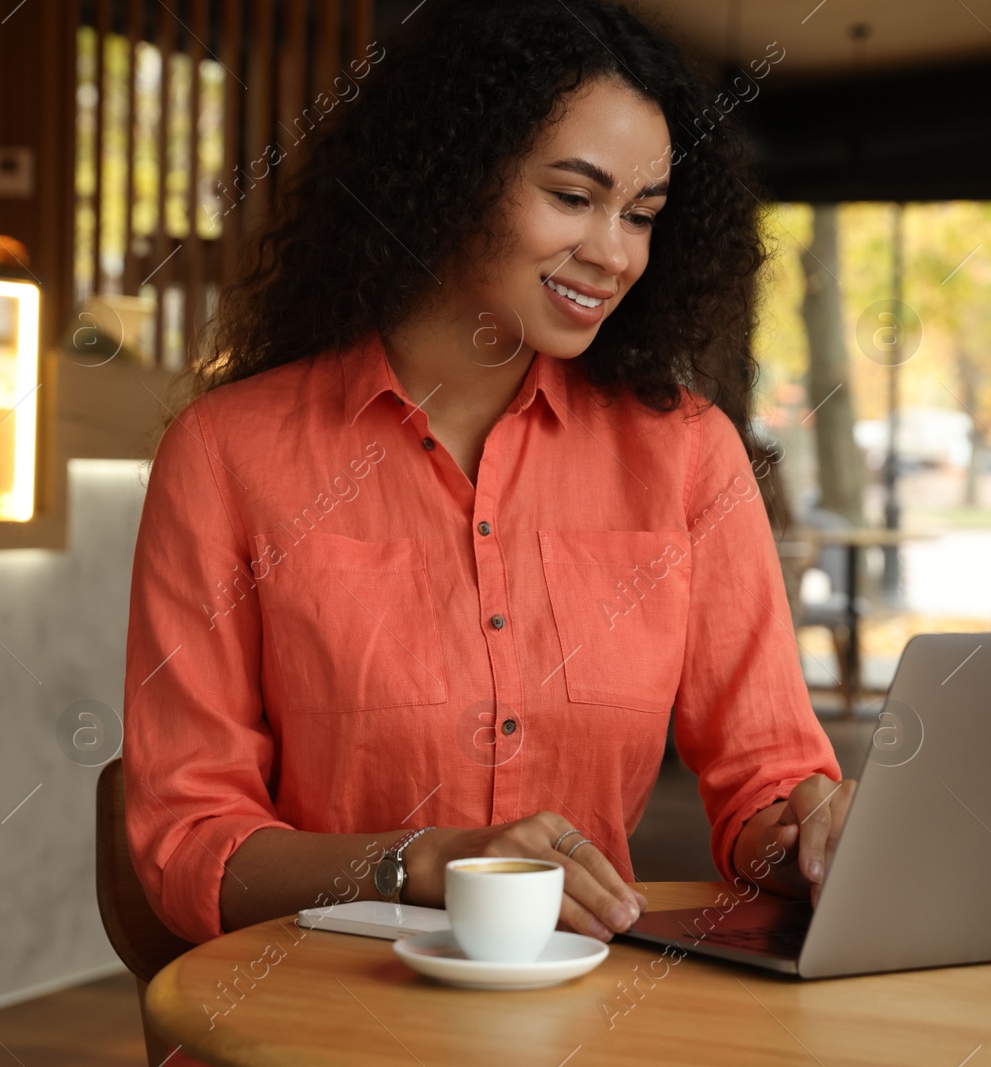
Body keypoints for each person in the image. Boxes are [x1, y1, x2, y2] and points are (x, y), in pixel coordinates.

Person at [123, 0, 853, 976]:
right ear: (455, 178)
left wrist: (807, 840)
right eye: (572, 196)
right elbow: (186, 845)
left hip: (582, 1010)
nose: (615, 251)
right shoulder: (227, 452)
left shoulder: (687, 453)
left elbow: (766, 777)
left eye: (641, 213)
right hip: (307, 1004)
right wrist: (421, 860)